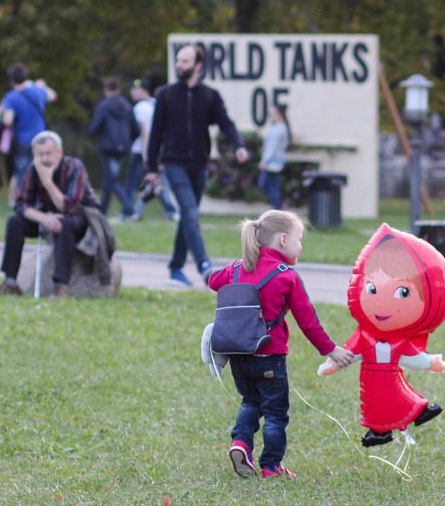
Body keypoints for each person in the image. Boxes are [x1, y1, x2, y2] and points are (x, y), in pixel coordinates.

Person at [208, 210, 355, 479]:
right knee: (275, 414)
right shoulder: (286, 277)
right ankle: (271, 467)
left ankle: (241, 443)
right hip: (270, 357)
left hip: (239, 356)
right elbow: (308, 322)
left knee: (250, 402)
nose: (301, 246)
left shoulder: (237, 269)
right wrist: (332, 350)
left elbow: (213, 281)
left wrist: (239, 264)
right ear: (284, 239)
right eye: (300, 240)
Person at [145, 44, 250, 287]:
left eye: (185, 61)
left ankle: (175, 268)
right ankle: (204, 266)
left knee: (188, 217)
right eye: (178, 61)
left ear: (198, 66)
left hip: (200, 165)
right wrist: (151, 168)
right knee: (190, 212)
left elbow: (226, 123)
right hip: (173, 163)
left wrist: (239, 145)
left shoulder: (210, 96)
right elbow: (156, 133)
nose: (179, 65)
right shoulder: (166, 95)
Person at [0, 131, 100, 297]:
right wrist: (43, 218)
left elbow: (69, 207)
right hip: (48, 215)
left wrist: (47, 182)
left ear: (60, 153)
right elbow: (21, 203)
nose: (44, 159)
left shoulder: (75, 168)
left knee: (64, 223)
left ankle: (61, 286)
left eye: (48, 154)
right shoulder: (34, 168)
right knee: (15, 222)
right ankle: (10, 282)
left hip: (79, 218)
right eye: (40, 154)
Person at [0, 62, 55, 203]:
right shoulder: (37, 91)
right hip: (41, 141)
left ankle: (25, 203)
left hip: (22, 141)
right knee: (40, 172)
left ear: (11, 79)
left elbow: (7, 120)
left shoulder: (11, 97)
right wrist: (41, 85)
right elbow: (52, 95)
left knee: (22, 174)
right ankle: (40, 202)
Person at [124, 79, 178, 221]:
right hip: (158, 150)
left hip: (141, 151)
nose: (132, 92)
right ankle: (170, 210)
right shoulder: (155, 104)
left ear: (143, 90)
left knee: (132, 182)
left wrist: (146, 153)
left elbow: (145, 132)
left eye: (135, 89)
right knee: (156, 183)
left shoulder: (140, 107)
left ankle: (129, 211)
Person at [88, 76, 139, 221]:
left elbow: (94, 128)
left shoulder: (103, 106)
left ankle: (129, 209)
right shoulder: (127, 106)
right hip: (123, 148)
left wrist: (99, 137)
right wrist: (128, 141)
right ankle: (102, 211)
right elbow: (135, 129)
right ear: (118, 90)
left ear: (106, 90)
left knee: (112, 180)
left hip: (108, 147)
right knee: (109, 179)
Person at [258, 103, 290, 209]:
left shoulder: (279, 129)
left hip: (273, 162)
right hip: (275, 161)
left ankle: (278, 205)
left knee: (266, 184)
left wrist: (265, 161)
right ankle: (278, 205)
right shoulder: (280, 127)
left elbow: (272, 147)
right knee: (272, 185)